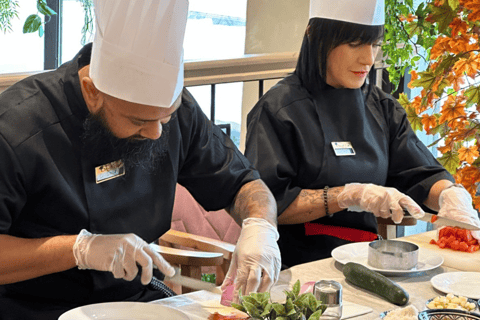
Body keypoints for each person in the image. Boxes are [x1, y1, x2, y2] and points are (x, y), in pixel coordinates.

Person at [0, 0, 280, 319]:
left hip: (140, 302)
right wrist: (79, 250)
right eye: (137, 121)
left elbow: (243, 183)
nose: (156, 133)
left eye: (166, 117)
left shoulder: (171, 115)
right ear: (92, 91)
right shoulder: (15, 129)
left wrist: (260, 228)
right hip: (35, 308)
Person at [244, 0, 480, 269]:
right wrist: (347, 195)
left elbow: (421, 174)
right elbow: (269, 203)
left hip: (368, 263)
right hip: (294, 267)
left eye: (374, 44)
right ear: (316, 36)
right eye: (355, 43)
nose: (369, 59)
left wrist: (450, 196)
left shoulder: (382, 108)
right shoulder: (278, 110)